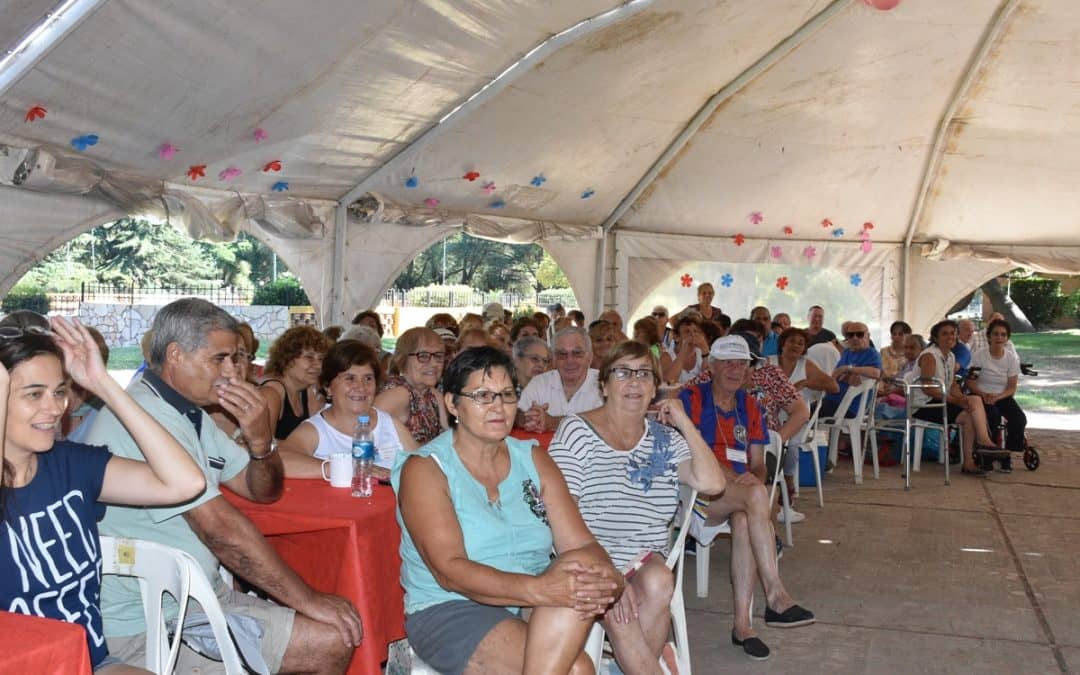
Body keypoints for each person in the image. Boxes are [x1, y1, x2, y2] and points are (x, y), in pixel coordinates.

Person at [89, 299, 362, 673]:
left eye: (238, 358)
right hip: (150, 622)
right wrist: (307, 599)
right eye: (220, 359)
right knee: (330, 634)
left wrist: (261, 443)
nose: (234, 371)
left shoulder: (189, 413)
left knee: (335, 632)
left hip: (201, 597)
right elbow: (220, 530)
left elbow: (261, 490)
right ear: (175, 355)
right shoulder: (144, 415)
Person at [393, 346, 622, 674]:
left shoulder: (533, 459)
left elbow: (581, 545)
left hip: (528, 599)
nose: (498, 406)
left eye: (507, 394)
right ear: (452, 403)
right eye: (483, 395)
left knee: (579, 567)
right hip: (452, 607)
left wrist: (608, 577)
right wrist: (542, 589)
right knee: (578, 670)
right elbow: (449, 571)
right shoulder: (427, 469)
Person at [0, 318, 205, 673]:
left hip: (90, 663)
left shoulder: (69, 466)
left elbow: (185, 483)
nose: (55, 408)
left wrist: (103, 384)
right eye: (34, 394)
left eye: (60, 391)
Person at [549, 340, 725, 673]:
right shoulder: (576, 430)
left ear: (655, 388)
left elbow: (714, 484)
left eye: (644, 373)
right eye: (623, 372)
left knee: (658, 579)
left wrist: (684, 422)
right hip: (585, 555)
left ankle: (626, 665)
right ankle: (648, 664)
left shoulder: (666, 439)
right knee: (617, 597)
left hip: (642, 558)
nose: (634, 381)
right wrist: (606, 573)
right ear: (603, 384)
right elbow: (561, 513)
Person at [679, 335, 814, 660]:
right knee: (755, 497)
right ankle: (775, 593)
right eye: (726, 362)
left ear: (749, 369)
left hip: (738, 497)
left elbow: (757, 463)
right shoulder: (692, 399)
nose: (734, 369)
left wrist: (756, 477)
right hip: (697, 494)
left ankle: (743, 625)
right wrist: (732, 476)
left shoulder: (749, 406)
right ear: (711, 366)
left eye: (741, 363)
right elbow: (684, 453)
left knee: (746, 517)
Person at [279, 340, 416, 479]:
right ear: (328, 387)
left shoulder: (390, 424)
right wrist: (347, 468)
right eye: (350, 378)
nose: (361, 387)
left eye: (368, 378)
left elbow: (422, 466)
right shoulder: (315, 430)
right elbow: (281, 462)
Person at [910, 319, 1003, 476]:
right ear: (935, 337)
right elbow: (928, 389)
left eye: (953, 333)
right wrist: (955, 400)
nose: (950, 337)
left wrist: (961, 398)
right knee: (973, 404)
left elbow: (952, 385)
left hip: (940, 401)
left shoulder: (951, 356)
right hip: (923, 405)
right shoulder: (930, 356)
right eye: (945, 334)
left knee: (971, 405)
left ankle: (970, 460)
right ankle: (983, 442)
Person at [517, 327, 603, 433]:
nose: (569, 360)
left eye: (577, 353)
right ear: (553, 359)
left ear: (589, 357)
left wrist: (553, 422)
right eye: (562, 354)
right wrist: (527, 418)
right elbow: (517, 413)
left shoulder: (605, 383)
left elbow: (608, 420)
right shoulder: (540, 382)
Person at [968, 319, 1026, 473]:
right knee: (992, 417)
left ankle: (1007, 454)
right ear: (989, 337)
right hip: (982, 395)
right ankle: (987, 455)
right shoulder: (979, 356)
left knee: (1019, 419)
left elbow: (1011, 388)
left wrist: (998, 397)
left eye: (1003, 335)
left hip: (1002, 396)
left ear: (1007, 338)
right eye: (995, 334)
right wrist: (984, 394)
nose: (999, 338)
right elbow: (971, 383)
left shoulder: (1010, 359)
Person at [374, 327, 448, 446]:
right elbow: (362, 430)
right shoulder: (399, 393)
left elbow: (454, 434)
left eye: (438, 356)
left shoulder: (431, 393)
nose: (434, 364)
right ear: (402, 359)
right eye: (423, 356)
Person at [261, 326, 332, 440]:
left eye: (321, 359)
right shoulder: (272, 393)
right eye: (309, 357)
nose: (319, 366)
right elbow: (264, 446)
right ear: (287, 359)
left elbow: (319, 436)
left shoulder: (307, 391)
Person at [818, 321, 881, 420]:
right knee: (802, 409)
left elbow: (876, 373)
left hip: (849, 406)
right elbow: (835, 375)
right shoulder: (847, 352)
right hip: (833, 400)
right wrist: (846, 376)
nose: (855, 338)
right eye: (850, 335)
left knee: (804, 414)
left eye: (859, 334)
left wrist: (848, 369)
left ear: (868, 336)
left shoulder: (872, 354)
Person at [769, 327, 839, 409]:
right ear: (782, 344)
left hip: (798, 415)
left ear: (804, 349)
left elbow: (834, 387)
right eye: (792, 341)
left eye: (800, 344)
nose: (795, 345)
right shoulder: (768, 361)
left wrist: (805, 383)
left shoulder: (806, 365)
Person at [660, 312, 708, 385]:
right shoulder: (666, 357)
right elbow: (668, 383)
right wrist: (684, 350)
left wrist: (705, 351)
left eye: (695, 331)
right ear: (676, 337)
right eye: (687, 331)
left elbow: (710, 379)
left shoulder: (701, 355)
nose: (692, 334)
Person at [880, 321, 913, 392]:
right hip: (882, 388)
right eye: (894, 334)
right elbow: (878, 370)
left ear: (909, 335)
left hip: (902, 390)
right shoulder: (883, 351)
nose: (896, 337)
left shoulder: (912, 354)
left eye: (900, 334)